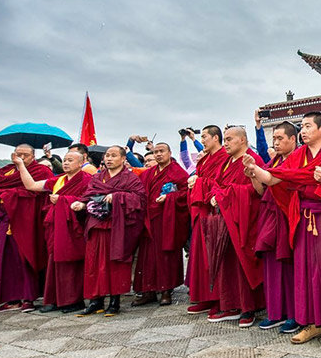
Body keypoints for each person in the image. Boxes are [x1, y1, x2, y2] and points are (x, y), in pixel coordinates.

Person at [244, 112, 321, 348]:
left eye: (307, 126)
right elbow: (276, 178)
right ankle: (312, 323)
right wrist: (255, 170)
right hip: (303, 218)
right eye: (301, 127)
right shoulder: (298, 156)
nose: (303, 131)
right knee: (304, 271)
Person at [0, 144, 52, 312]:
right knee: (5, 260)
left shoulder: (41, 171)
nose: (21, 158)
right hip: (6, 220)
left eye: (25, 155)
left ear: (33, 156)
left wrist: (9, 192)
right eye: (18, 154)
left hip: (28, 221)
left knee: (25, 258)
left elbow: (35, 193)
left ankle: (28, 298)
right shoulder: (6, 172)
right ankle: (12, 299)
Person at [70, 146, 146, 316]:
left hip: (116, 226)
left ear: (123, 158)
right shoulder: (98, 177)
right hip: (96, 225)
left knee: (114, 264)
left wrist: (118, 196)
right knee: (94, 264)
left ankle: (114, 301)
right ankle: (95, 301)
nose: (109, 159)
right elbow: (88, 195)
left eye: (113, 156)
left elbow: (139, 199)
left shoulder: (130, 178)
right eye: (107, 156)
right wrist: (81, 204)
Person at [13, 150, 91, 313]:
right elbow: (31, 185)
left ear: (81, 162)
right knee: (53, 262)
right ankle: (53, 299)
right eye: (65, 160)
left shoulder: (87, 179)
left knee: (72, 263)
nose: (66, 163)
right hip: (56, 227)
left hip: (74, 228)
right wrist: (21, 165)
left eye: (70, 160)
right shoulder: (58, 180)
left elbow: (89, 200)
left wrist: (65, 200)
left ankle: (73, 301)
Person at [205, 127, 264, 326]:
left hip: (244, 221)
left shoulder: (252, 159)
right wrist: (216, 194)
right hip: (225, 219)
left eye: (230, 139)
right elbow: (216, 183)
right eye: (225, 139)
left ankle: (249, 307)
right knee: (226, 263)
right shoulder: (225, 162)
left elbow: (258, 191)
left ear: (242, 140)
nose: (226, 143)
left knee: (242, 264)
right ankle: (229, 304)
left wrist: (226, 194)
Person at [252, 122, 300, 333]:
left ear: (293, 140)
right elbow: (262, 191)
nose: (277, 143)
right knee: (272, 264)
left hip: (289, 216)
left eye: (281, 139)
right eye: (275, 139)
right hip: (271, 216)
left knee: (289, 267)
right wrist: (253, 176)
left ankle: (294, 314)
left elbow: (281, 183)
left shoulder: (299, 159)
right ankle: (276, 312)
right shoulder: (274, 161)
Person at [132, 142, 190, 307]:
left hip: (167, 220)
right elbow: (139, 192)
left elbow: (185, 193)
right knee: (147, 256)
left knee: (165, 255)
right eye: (155, 152)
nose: (158, 154)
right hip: (149, 219)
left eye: (161, 151)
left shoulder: (177, 172)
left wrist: (170, 198)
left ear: (169, 153)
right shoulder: (148, 173)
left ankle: (166, 290)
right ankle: (148, 291)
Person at [185, 126, 230, 315]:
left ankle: (220, 299)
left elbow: (221, 184)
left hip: (215, 213)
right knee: (201, 257)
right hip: (201, 212)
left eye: (204, 137)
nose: (202, 141)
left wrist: (199, 182)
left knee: (214, 257)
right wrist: (195, 180)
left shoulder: (223, 157)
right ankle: (204, 296)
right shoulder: (205, 159)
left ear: (215, 138)